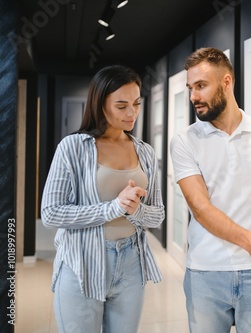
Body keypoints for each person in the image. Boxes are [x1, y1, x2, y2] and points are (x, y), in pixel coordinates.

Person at [170, 47, 251, 333]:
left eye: (201, 86)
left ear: (226, 82)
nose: (193, 97)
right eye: (190, 88)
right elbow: (200, 209)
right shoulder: (185, 141)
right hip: (205, 272)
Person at [41, 65, 164, 333]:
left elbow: (157, 214)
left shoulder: (145, 152)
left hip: (132, 263)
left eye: (136, 103)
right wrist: (114, 208)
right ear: (100, 105)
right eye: (121, 106)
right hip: (82, 263)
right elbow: (51, 213)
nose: (132, 113)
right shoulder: (73, 147)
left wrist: (134, 211)